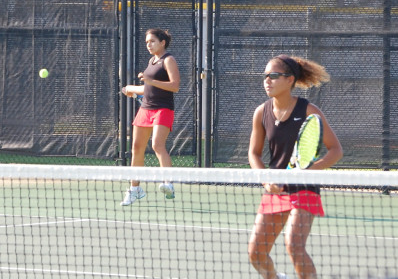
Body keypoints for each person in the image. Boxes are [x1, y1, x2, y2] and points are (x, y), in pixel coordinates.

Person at [247, 54, 343, 279]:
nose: (267, 81)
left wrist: (306, 173)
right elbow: (253, 153)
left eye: (273, 76)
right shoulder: (261, 112)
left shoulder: (309, 111)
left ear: (289, 80)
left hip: (304, 189)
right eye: (265, 76)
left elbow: (336, 150)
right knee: (256, 253)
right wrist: (265, 179)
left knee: (294, 246)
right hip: (276, 189)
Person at [120, 28, 180, 206]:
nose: (149, 44)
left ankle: (168, 183)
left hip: (163, 109)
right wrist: (131, 88)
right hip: (145, 109)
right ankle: (135, 189)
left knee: (157, 144)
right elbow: (147, 89)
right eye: (147, 42)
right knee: (137, 148)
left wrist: (150, 81)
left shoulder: (168, 60)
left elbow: (175, 86)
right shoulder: (151, 61)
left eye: (152, 41)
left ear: (162, 42)